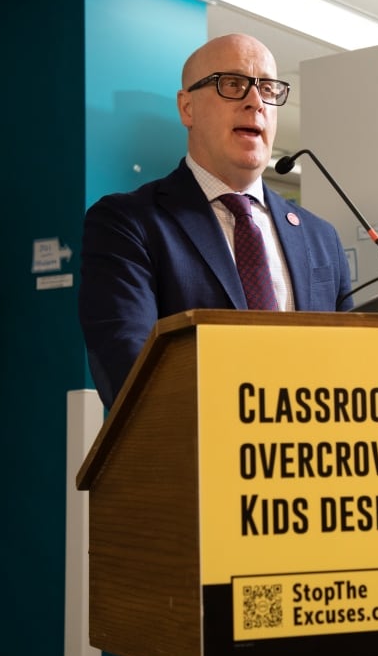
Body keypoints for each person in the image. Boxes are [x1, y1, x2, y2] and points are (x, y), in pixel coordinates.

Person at [79, 33, 354, 408]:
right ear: (187, 108)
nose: (256, 101)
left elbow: (353, 368)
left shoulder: (320, 237)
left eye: (269, 88)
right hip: (196, 455)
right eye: (233, 84)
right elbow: (128, 363)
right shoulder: (128, 223)